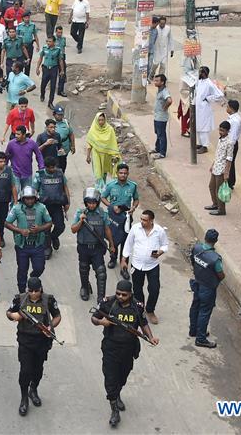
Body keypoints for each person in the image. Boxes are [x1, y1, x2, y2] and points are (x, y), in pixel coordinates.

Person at [91, 280, 159, 427]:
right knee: (110, 377)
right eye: (118, 293)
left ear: (130, 294)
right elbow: (93, 317)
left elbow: (143, 323)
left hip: (129, 349)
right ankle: (114, 408)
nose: (120, 296)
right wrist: (102, 322)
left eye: (123, 294)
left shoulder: (137, 306)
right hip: (110, 348)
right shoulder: (108, 303)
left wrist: (151, 337)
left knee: (122, 376)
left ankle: (117, 392)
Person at [7, 276, 61, 416]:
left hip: (42, 341)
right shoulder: (20, 299)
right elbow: (8, 312)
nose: (33, 293)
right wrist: (15, 316)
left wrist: (50, 327)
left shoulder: (48, 300)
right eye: (30, 290)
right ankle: (24, 397)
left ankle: (33, 389)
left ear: (41, 289)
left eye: (36, 290)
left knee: (38, 370)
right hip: (25, 341)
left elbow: (57, 316)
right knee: (25, 371)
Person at [122, 209, 168, 324]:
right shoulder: (135, 228)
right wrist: (124, 259)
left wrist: (160, 252)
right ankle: (140, 310)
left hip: (152, 265)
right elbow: (128, 244)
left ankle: (150, 310)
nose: (142, 222)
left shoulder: (159, 231)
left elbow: (165, 245)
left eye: (145, 220)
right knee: (137, 289)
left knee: (154, 289)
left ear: (151, 221)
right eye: (141, 219)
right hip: (137, 265)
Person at [6, 186, 52, 293]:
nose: (29, 201)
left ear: (35, 198)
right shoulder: (16, 208)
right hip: (22, 246)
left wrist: (39, 229)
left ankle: (32, 280)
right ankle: (22, 292)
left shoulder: (42, 208)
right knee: (22, 270)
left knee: (39, 268)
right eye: (27, 198)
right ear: (23, 199)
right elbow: (7, 223)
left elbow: (49, 223)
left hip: (37, 245)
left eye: (31, 198)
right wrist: (20, 230)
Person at [190, 229, 225, 348]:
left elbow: (193, 262)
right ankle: (200, 338)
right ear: (216, 241)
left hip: (197, 282)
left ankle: (193, 330)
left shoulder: (197, 248)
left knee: (195, 306)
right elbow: (221, 274)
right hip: (208, 288)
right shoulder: (215, 258)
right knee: (204, 312)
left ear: (205, 238)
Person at [101, 163, 139, 269]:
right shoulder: (111, 185)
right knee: (113, 238)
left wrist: (133, 208)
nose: (123, 175)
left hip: (126, 217)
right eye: (121, 173)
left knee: (126, 240)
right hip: (113, 216)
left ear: (128, 174)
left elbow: (136, 199)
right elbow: (103, 197)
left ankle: (124, 263)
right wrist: (111, 206)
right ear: (117, 173)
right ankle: (113, 258)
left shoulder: (133, 186)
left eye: (125, 173)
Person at [34, 156, 69, 259]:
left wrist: (67, 202)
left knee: (60, 226)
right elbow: (34, 191)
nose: (52, 169)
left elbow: (65, 187)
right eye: (50, 168)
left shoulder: (60, 173)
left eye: (54, 167)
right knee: (46, 228)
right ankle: (47, 248)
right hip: (44, 206)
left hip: (57, 204)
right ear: (46, 167)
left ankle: (54, 237)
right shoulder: (39, 175)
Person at [85, 112, 120, 189]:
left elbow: (113, 143)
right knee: (98, 173)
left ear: (105, 120)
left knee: (104, 172)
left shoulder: (110, 129)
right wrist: (88, 156)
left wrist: (115, 155)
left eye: (102, 120)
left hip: (107, 155)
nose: (101, 122)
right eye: (99, 120)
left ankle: (104, 188)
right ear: (96, 120)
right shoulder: (93, 130)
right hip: (96, 155)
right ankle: (99, 189)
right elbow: (89, 144)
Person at [206, 121, 234, 216]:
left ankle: (221, 210)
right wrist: (213, 164)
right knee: (211, 186)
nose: (220, 132)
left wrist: (226, 172)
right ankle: (215, 204)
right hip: (216, 167)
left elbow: (229, 159)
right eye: (220, 130)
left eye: (223, 131)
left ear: (227, 131)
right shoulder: (220, 139)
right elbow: (218, 154)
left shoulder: (230, 142)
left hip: (222, 169)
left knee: (220, 190)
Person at [194, 66, 223, 153]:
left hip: (204, 109)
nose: (199, 74)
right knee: (198, 126)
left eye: (200, 72)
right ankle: (200, 143)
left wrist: (208, 98)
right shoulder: (199, 81)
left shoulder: (209, 83)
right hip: (198, 108)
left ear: (204, 73)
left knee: (204, 127)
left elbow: (219, 95)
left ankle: (205, 145)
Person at [36, 34, 63, 108]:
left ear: (54, 42)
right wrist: (37, 68)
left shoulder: (58, 49)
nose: (48, 43)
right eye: (47, 41)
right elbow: (41, 58)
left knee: (53, 86)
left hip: (54, 69)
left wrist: (62, 70)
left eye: (50, 41)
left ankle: (50, 102)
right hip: (46, 68)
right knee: (43, 84)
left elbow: (60, 60)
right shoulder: (45, 48)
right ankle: (42, 94)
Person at [152, 74, 172, 158]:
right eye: (155, 80)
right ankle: (158, 148)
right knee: (157, 132)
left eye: (157, 81)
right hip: (157, 116)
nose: (155, 82)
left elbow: (169, 100)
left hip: (161, 117)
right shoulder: (159, 90)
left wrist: (165, 107)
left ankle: (162, 153)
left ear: (162, 82)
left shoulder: (164, 91)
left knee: (161, 134)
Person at [225, 100, 241, 189]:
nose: (226, 108)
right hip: (230, 143)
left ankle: (230, 182)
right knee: (230, 162)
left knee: (230, 162)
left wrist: (229, 146)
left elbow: (233, 135)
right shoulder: (232, 117)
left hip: (232, 144)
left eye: (227, 107)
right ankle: (230, 181)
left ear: (231, 108)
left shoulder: (235, 121)